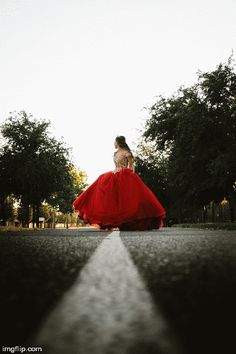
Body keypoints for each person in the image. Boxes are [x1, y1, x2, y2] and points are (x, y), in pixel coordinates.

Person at [73, 136, 166, 230]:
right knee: (105, 188)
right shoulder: (115, 153)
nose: (114, 143)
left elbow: (132, 165)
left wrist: (131, 176)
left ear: (118, 142)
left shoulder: (127, 152)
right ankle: (107, 220)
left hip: (125, 175)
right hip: (114, 175)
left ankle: (128, 221)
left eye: (114, 141)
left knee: (126, 200)